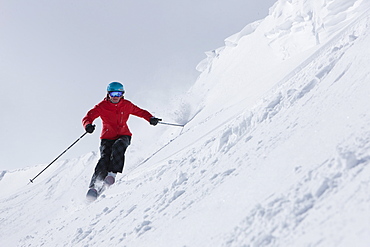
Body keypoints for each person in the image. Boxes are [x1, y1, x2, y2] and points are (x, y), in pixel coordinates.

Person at [82, 82, 161, 196]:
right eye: (113, 93)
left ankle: (112, 175)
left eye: (118, 93)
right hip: (107, 138)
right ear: (108, 94)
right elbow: (88, 117)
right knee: (104, 159)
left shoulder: (127, 105)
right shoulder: (102, 106)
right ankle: (94, 187)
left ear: (122, 94)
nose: (115, 96)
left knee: (118, 146)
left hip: (124, 135)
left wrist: (150, 118)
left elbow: (140, 112)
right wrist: (88, 125)